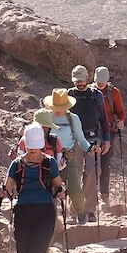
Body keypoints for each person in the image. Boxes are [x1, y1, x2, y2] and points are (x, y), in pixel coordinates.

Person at [0, 125, 65, 253]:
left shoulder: (50, 162)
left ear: (42, 146)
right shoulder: (16, 164)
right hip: (22, 212)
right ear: (26, 145)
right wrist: (3, 191)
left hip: (45, 212)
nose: (34, 152)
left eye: (37, 149)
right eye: (30, 148)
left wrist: (61, 191)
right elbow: (9, 186)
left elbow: (57, 183)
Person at [68, 65, 110, 223]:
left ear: (87, 79)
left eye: (81, 80)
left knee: (92, 172)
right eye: (76, 81)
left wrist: (106, 139)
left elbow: (104, 118)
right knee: (75, 174)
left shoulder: (96, 95)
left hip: (93, 138)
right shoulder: (69, 95)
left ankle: (90, 210)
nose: (79, 84)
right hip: (74, 140)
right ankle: (74, 211)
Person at [44, 88, 91, 220]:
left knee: (75, 190)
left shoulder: (72, 119)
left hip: (68, 157)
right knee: (48, 191)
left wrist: (90, 149)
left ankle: (81, 213)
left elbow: (81, 139)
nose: (58, 109)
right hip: (47, 159)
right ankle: (50, 221)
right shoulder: (45, 117)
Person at [93, 66, 126, 208]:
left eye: (102, 81)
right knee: (91, 165)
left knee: (105, 164)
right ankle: (90, 196)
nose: (100, 84)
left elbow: (121, 111)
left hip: (110, 131)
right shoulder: (89, 91)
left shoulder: (114, 92)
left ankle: (104, 195)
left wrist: (121, 121)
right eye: (98, 81)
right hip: (92, 131)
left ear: (107, 80)